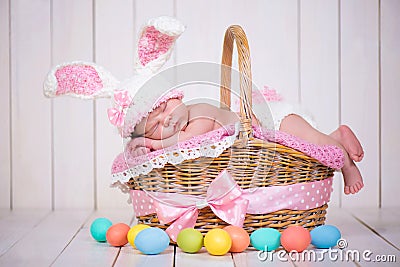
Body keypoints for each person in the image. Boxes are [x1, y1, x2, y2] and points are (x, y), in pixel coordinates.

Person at [126, 96, 364, 195]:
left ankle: (347, 164)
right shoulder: (186, 123)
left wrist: (150, 142)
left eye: (165, 108)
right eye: (154, 126)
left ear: (177, 98)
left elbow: (186, 142)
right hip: (271, 127)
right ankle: (337, 135)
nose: (165, 118)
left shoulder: (198, 112)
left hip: (277, 120)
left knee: (318, 144)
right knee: (311, 144)